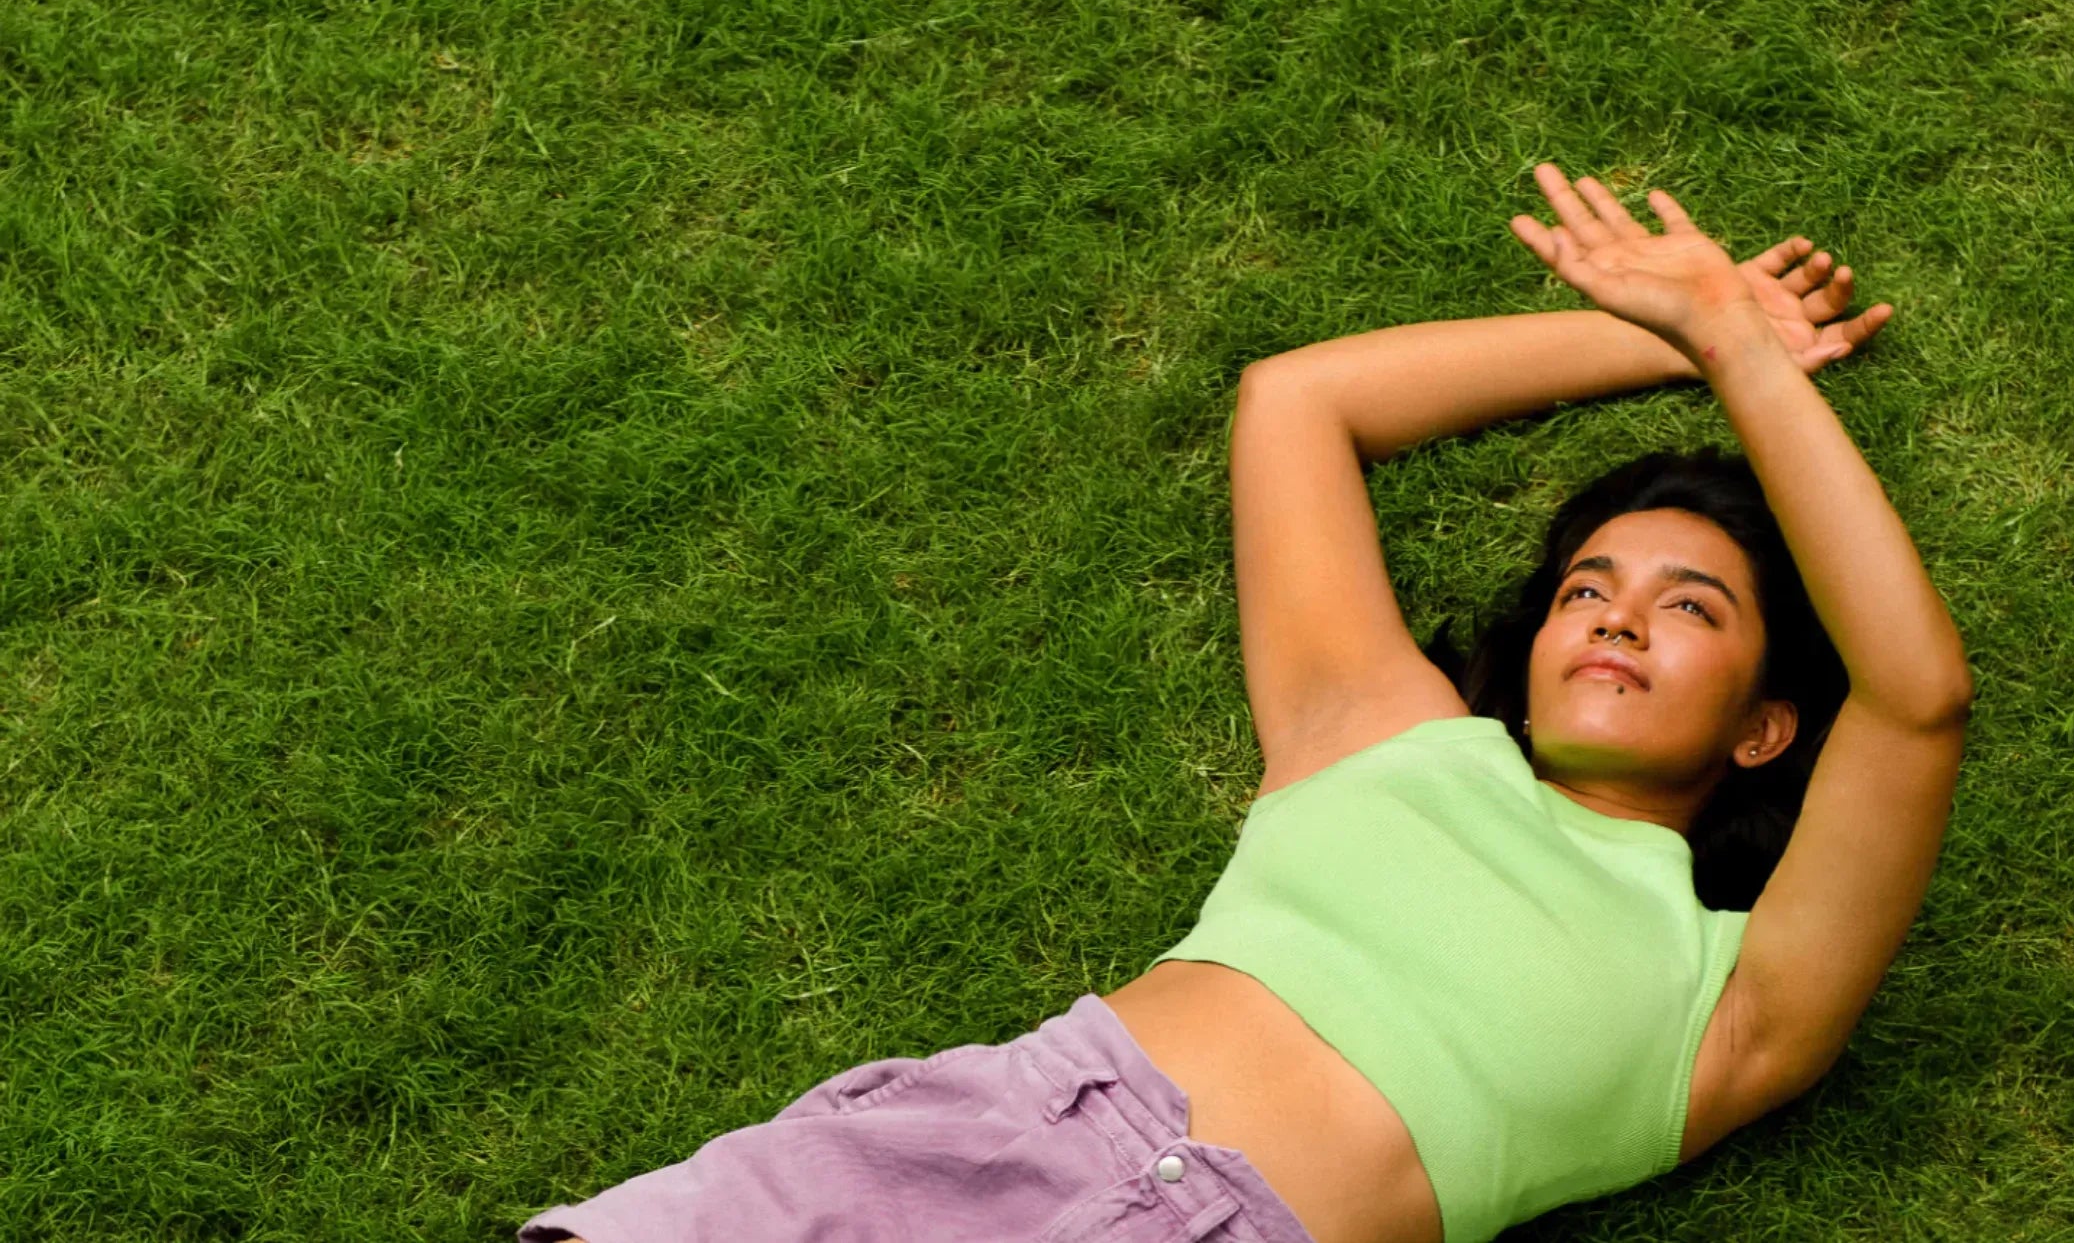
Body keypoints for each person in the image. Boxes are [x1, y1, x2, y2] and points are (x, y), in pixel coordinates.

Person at [518, 164, 1972, 1243]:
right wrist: (1681, 333)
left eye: (1691, 607)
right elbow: (1297, 404)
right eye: (1588, 586)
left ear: (1765, 725)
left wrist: (1746, 361)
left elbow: (1916, 701)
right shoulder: (1391, 741)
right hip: (981, 1133)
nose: (1615, 616)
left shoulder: (1735, 1002)